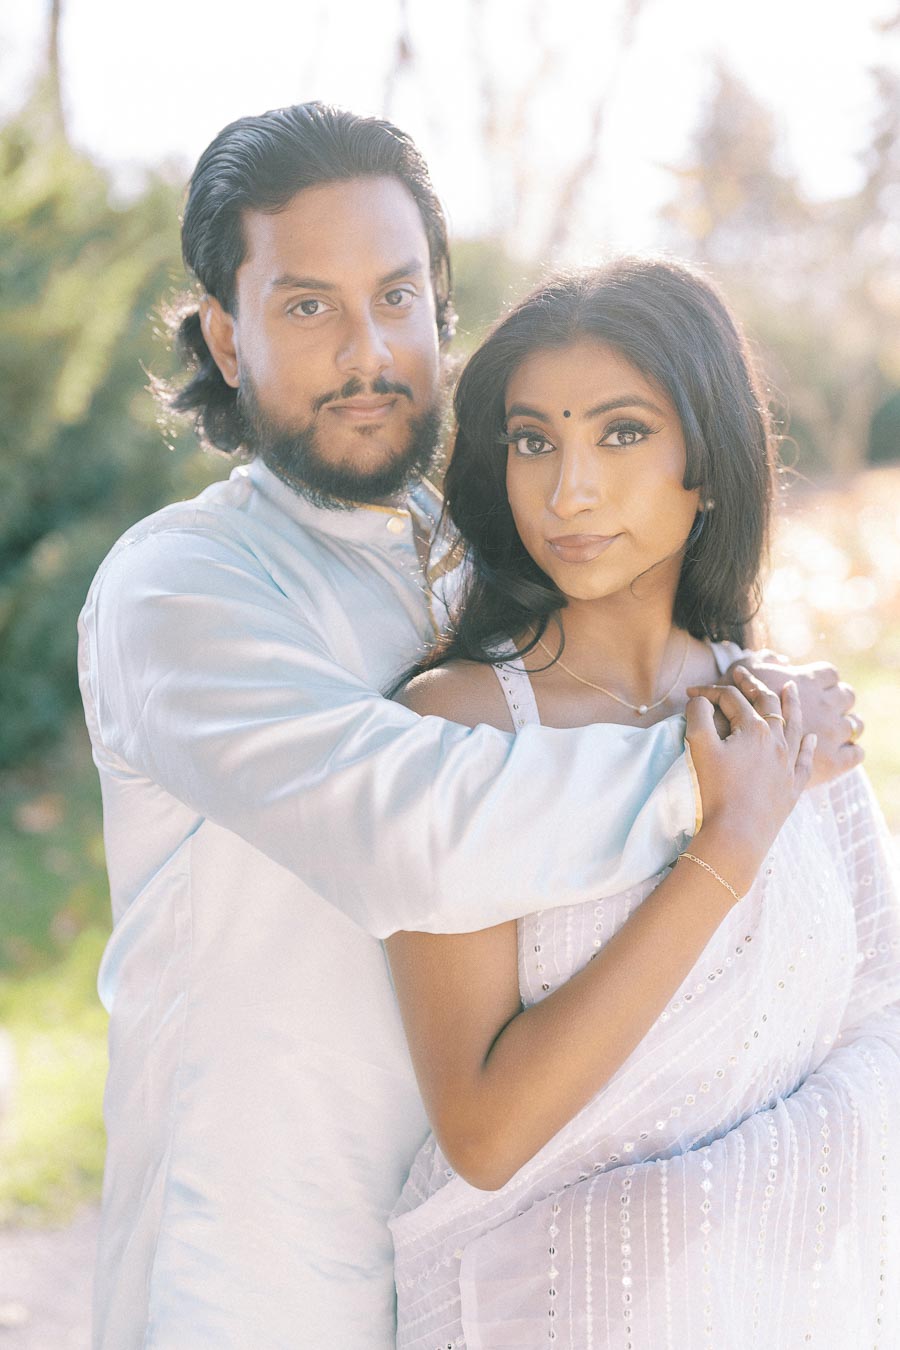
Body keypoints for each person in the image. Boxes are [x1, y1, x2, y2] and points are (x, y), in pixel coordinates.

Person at [77, 105, 859, 1349]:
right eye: (306, 307)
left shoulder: (484, 566)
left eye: (397, 297)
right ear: (225, 337)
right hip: (257, 1281)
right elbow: (417, 825)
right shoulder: (181, 589)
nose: (366, 349)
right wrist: (729, 777)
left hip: (475, 1280)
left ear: (442, 309)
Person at [385, 259, 898, 1349]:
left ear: (705, 464)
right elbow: (484, 1132)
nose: (569, 490)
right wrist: (728, 847)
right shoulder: (459, 731)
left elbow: (880, 1026)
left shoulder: (787, 720)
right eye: (534, 441)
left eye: (621, 433)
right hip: (544, 1311)